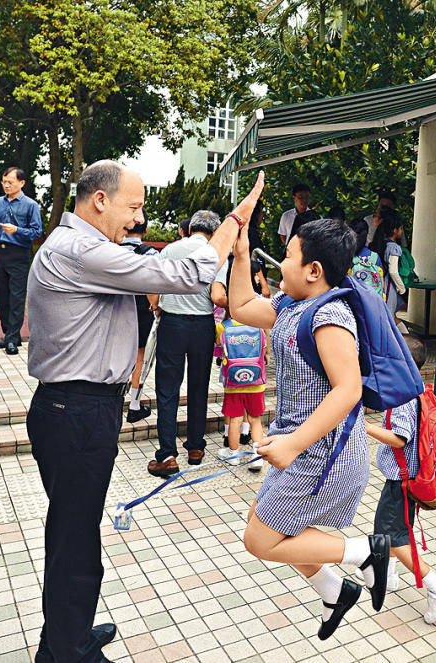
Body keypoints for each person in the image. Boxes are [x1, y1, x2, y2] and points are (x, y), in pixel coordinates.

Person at [25, 159, 264, 663]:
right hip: (76, 411)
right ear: (100, 200)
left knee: (76, 533)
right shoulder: (80, 250)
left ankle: (69, 635)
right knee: (73, 540)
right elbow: (182, 272)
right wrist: (234, 221)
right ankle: (66, 652)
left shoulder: (89, 248)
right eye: (133, 206)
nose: (138, 217)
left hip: (82, 408)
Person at [229, 218, 391, 641]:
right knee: (266, 525)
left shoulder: (330, 316)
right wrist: (241, 252)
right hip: (300, 446)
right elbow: (241, 306)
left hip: (323, 451)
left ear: (313, 270)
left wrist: (295, 443)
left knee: (260, 540)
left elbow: (349, 389)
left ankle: (365, 553)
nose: (281, 263)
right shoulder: (291, 305)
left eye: (288, 256)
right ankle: (334, 589)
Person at [363, 334, 436, 623]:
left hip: (401, 481)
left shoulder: (402, 395)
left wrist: (365, 427)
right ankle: (390, 576)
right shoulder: (414, 388)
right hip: (407, 477)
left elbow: (399, 437)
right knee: (391, 530)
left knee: (392, 537)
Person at [147, 210, 230, 476]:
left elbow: (153, 285)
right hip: (202, 327)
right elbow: (217, 296)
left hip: (172, 324)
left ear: (189, 228)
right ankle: (195, 447)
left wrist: (156, 305)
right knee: (198, 387)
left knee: (168, 389)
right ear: (214, 232)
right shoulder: (217, 254)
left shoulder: (170, 250)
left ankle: (167, 455)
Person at [215, 265, 267, 472]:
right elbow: (264, 350)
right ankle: (256, 457)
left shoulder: (224, 326)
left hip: (233, 383)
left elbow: (219, 349)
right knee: (255, 419)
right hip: (256, 382)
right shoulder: (259, 323)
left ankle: (233, 454)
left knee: (235, 419)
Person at [0, 167, 43, 356]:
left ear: (22, 183)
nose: (6, 185)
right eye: (4, 182)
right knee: (2, 298)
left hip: (19, 254)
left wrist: (17, 231)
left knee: (17, 297)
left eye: (10, 182)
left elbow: (37, 232)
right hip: (0, 253)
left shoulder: (30, 205)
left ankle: (11, 338)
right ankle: (10, 334)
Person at [119, 214, 160, 423]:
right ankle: (134, 405)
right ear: (145, 231)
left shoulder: (110, 250)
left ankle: (114, 402)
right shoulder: (150, 254)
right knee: (139, 357)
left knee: (114, 355)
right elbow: (153, 285)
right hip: (141, 310)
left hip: (114, 310)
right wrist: (155, 306)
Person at [370, 209, 408, 329]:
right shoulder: (394, 248)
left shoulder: (379, 244)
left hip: (377, 282)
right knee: (389, 314)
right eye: (400, 228)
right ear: (394, 230)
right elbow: (393, 270)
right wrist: (402, 288)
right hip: (388, 285)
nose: (401, 231)